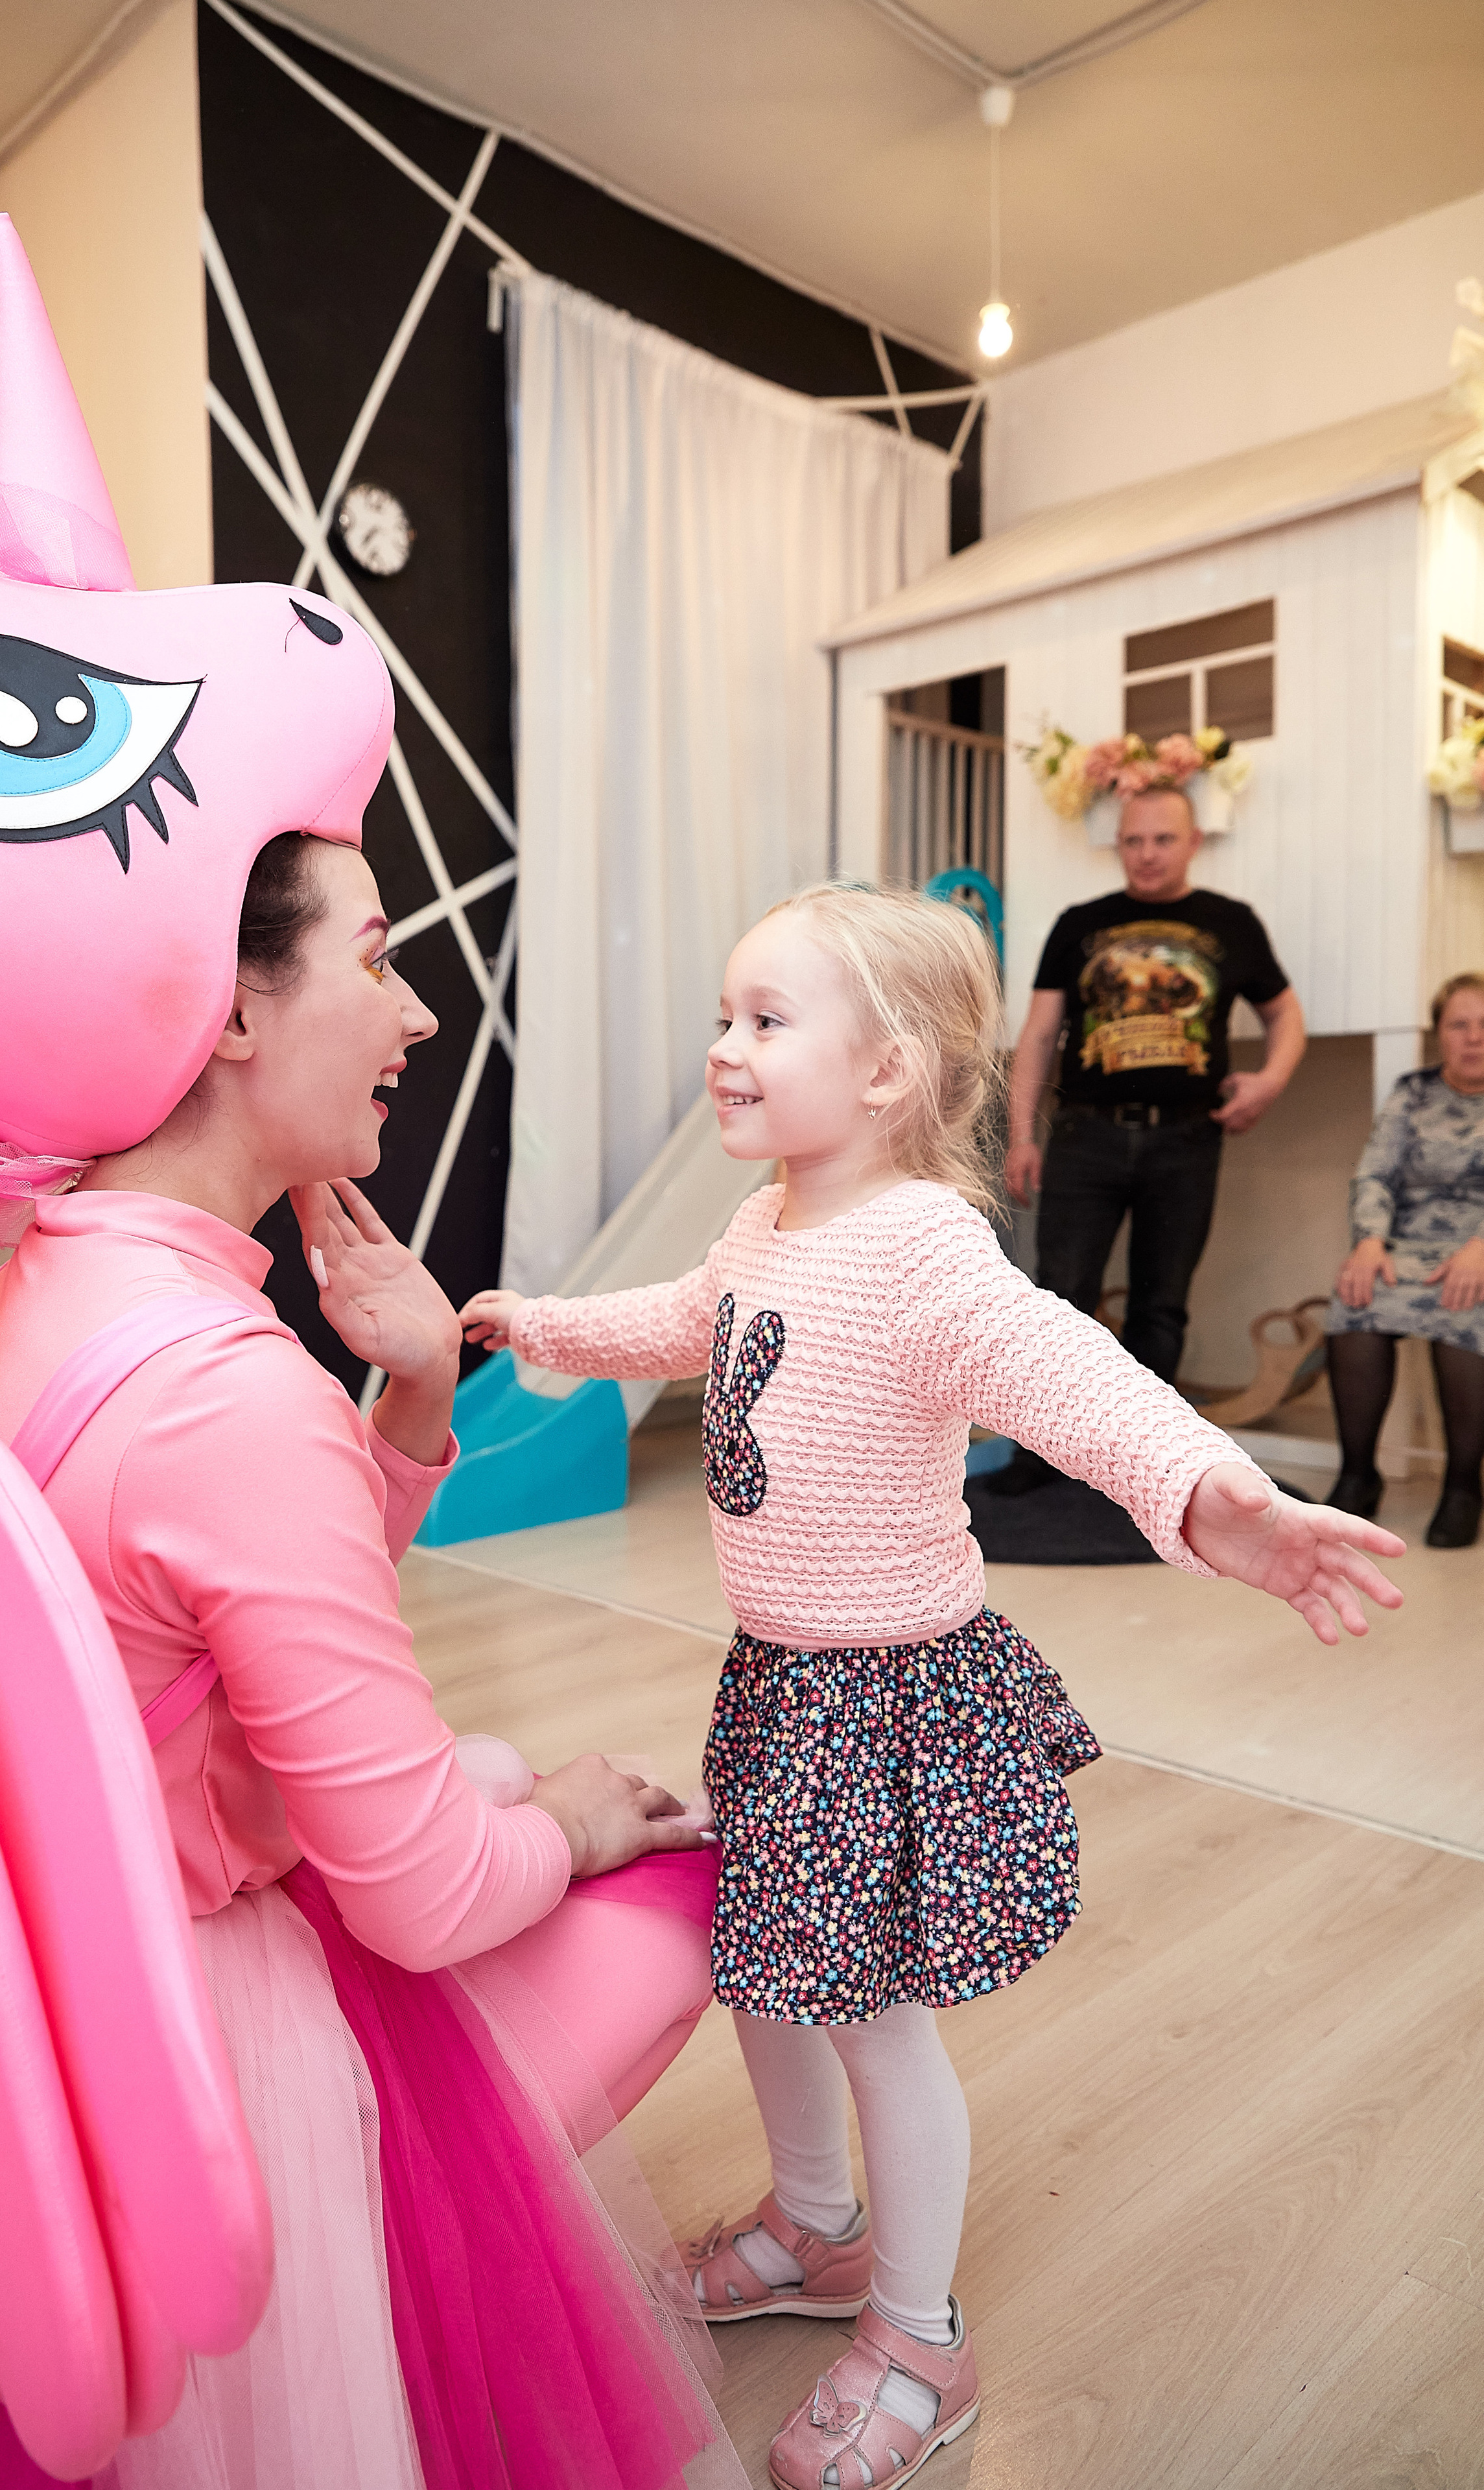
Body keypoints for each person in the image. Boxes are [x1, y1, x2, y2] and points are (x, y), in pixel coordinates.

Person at [0, 218, 744, 2490]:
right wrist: (585, 1813)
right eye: (381, 958)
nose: (422, 1010)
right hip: (198, 2074)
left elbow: (205, 1639)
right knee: (674, 1848)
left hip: (15, 2022)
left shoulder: (28, 1303)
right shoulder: (227, 1399)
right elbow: (418, 1886)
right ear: (227, 1000)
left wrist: (411, 1408)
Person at [461, 883, 1402, 2490]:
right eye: (722, 1016)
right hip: (776, 1685)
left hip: (888, 1698)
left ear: (886, 1069)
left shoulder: (920, 1251)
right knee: (767, 1971)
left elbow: (1071, 1372)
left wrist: (1211, 1491)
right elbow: (684, 1323)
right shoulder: (763, 1222)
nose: (723, 1049)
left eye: (763, 1020)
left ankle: (918, 2329)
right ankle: (815, 2225)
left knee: (877, 2017)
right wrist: (528, 1319)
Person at [999, 785, 1305, 1491]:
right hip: (1084, 1138)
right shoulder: (1080, 923)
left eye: (1161, 840)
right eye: (1133, 840)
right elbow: (1040, 1034)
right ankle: (1042, 1454)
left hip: (1188, 1140)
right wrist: (1021, 1134)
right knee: (1060, 1300)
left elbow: (1285, 1018)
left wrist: (1271, 1080)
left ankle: (1141, 1461)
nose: (1145, 854)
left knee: (1160, 1302)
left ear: (1193, 841)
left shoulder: (1231, 923)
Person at [1326, 972, 1484, 1547]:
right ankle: (1358, 1476)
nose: (1474, 1037)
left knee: (1465, 1313)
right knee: (1354, 1304)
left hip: (1479, 1254)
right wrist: (1369, 1239)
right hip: (1407, 1247)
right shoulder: (1413, 1091)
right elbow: (1375, 1171)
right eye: (1459, 1025)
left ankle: (1465, 1485)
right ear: (1439, 1034)